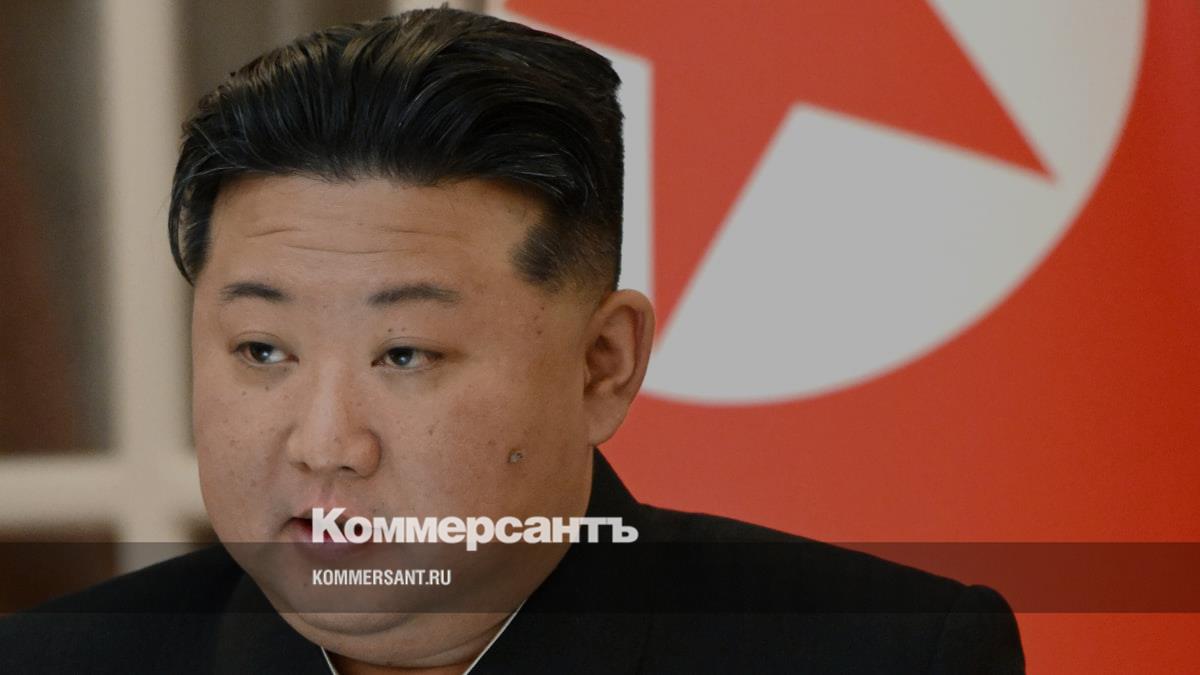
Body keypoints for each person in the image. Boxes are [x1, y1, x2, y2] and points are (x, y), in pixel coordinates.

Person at [0, 7, 1023, 674]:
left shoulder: (880, 654)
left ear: (602, 364)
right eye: (263, 350)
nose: (325, 444)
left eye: (405, 353)